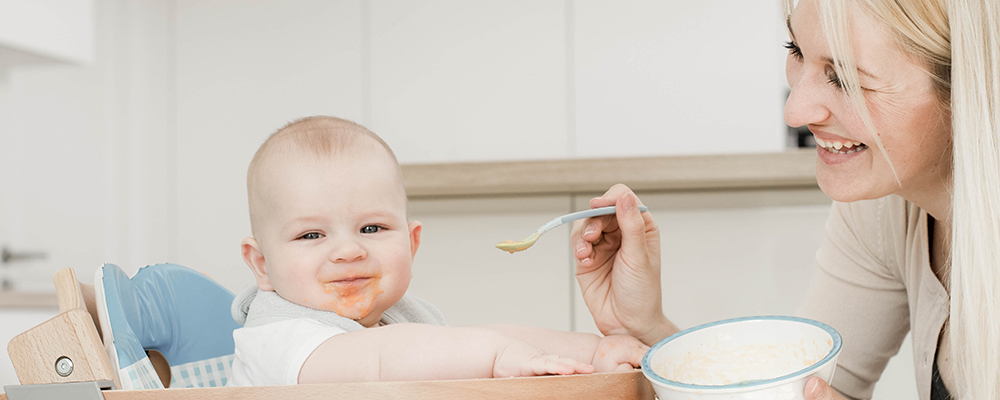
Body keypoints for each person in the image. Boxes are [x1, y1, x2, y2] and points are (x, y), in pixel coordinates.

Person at [570, 0, 999, 399]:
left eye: (845, 78)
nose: (795, 111)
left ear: (970, 87)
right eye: (795, 50)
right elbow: (806, 388)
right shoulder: (883, 202)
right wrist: (646, 330)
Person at [227, 116, 647, 386]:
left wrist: (591, 351)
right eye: (311, 235)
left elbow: (480, 337)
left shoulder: (401, 320)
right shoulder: (276, 337)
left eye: (372, 228)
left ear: (411, 244)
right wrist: (495, 356)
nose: (349, 250)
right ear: (262, 265)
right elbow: (379, 359)